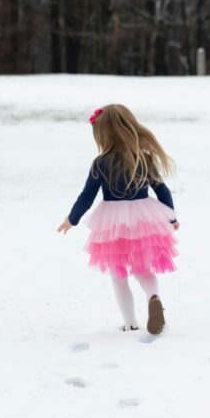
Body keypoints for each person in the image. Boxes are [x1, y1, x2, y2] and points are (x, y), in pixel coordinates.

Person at [57, 104, 180, 335]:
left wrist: (71, 219)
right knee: (143, 268)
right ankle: (153, 297)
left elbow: (86, 197)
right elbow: (162, 190)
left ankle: (130, 323)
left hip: (112, 222)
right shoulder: (144, 158)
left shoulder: (101, 163)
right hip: (145, 217)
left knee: (119, 273)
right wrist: (170, 216)